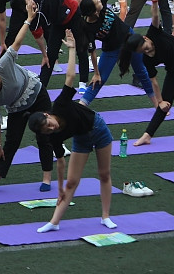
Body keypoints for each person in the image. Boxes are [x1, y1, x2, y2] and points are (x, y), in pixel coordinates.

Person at [0, 0, 56, 195]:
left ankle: (47, 178)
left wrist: (29, 19)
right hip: (18, 106)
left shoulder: (2, 65)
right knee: (11, 143)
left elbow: (17, 42)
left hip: (36, 93)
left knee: (43, 136)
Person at [30, 34, 117, 233]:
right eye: (47, 130)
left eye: (49, 124)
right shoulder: (52, 136)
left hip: (98, 128)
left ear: (47, 114)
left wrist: (71, 49)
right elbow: (60, 161)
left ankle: (105, 216)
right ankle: (54, 222)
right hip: (81, 139)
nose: (51, 128)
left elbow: (70, 77)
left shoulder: (59, 105)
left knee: (104, 174)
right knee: (71, 183)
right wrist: (59, 187)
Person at [121, 0, 174, 146]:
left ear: (146, 38)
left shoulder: (154, 33)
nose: (146, 51)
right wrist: (160, 101)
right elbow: (153, 81)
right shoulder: (147, 59)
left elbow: (155, 15)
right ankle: (147, 135)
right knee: (163, 107)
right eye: (142, 52)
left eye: (145, 48)